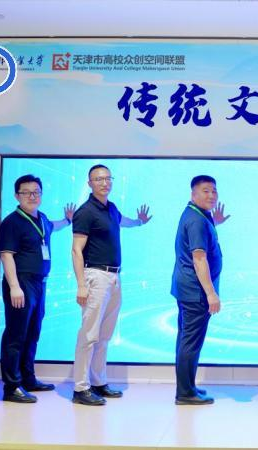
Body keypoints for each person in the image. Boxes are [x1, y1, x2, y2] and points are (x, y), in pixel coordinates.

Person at [71, 164, 151, 406]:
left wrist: (139, 222)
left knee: (104, 335)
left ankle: (98, 382)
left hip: (114, 278)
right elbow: (76, 250)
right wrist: (81, 285)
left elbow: (122, 221)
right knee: (89, 335)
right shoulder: (85, 212)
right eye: (98, 179)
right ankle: (80, 388)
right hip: (95, 277)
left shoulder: (111, 208)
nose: (104, 183)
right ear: (90, 183)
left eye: (107, 178)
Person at [0, 174, 74, 403]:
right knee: (16, 334)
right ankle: (12, 387)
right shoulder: (12, 222)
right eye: (26, 192)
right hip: (21, 283)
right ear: (16, 196)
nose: (32, 196)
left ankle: (28, 379)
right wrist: (14, 287)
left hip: (39, 283)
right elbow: (6, 255)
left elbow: (54, 227)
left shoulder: (42, 218)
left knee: (32, 332)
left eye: (36, 192)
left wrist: (67, 220)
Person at [171, 175, 230, 405]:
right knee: (190, 342)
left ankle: (187, 387)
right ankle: (185, 393)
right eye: (205, 191)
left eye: (214, 191)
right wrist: (211, 293)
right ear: (193, 194)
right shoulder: (197, 220)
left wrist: (215, 223)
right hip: (195, 292)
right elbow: (199, 258)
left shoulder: (198, 215)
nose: (211, 195)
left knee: (186, 339)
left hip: (187, 289)